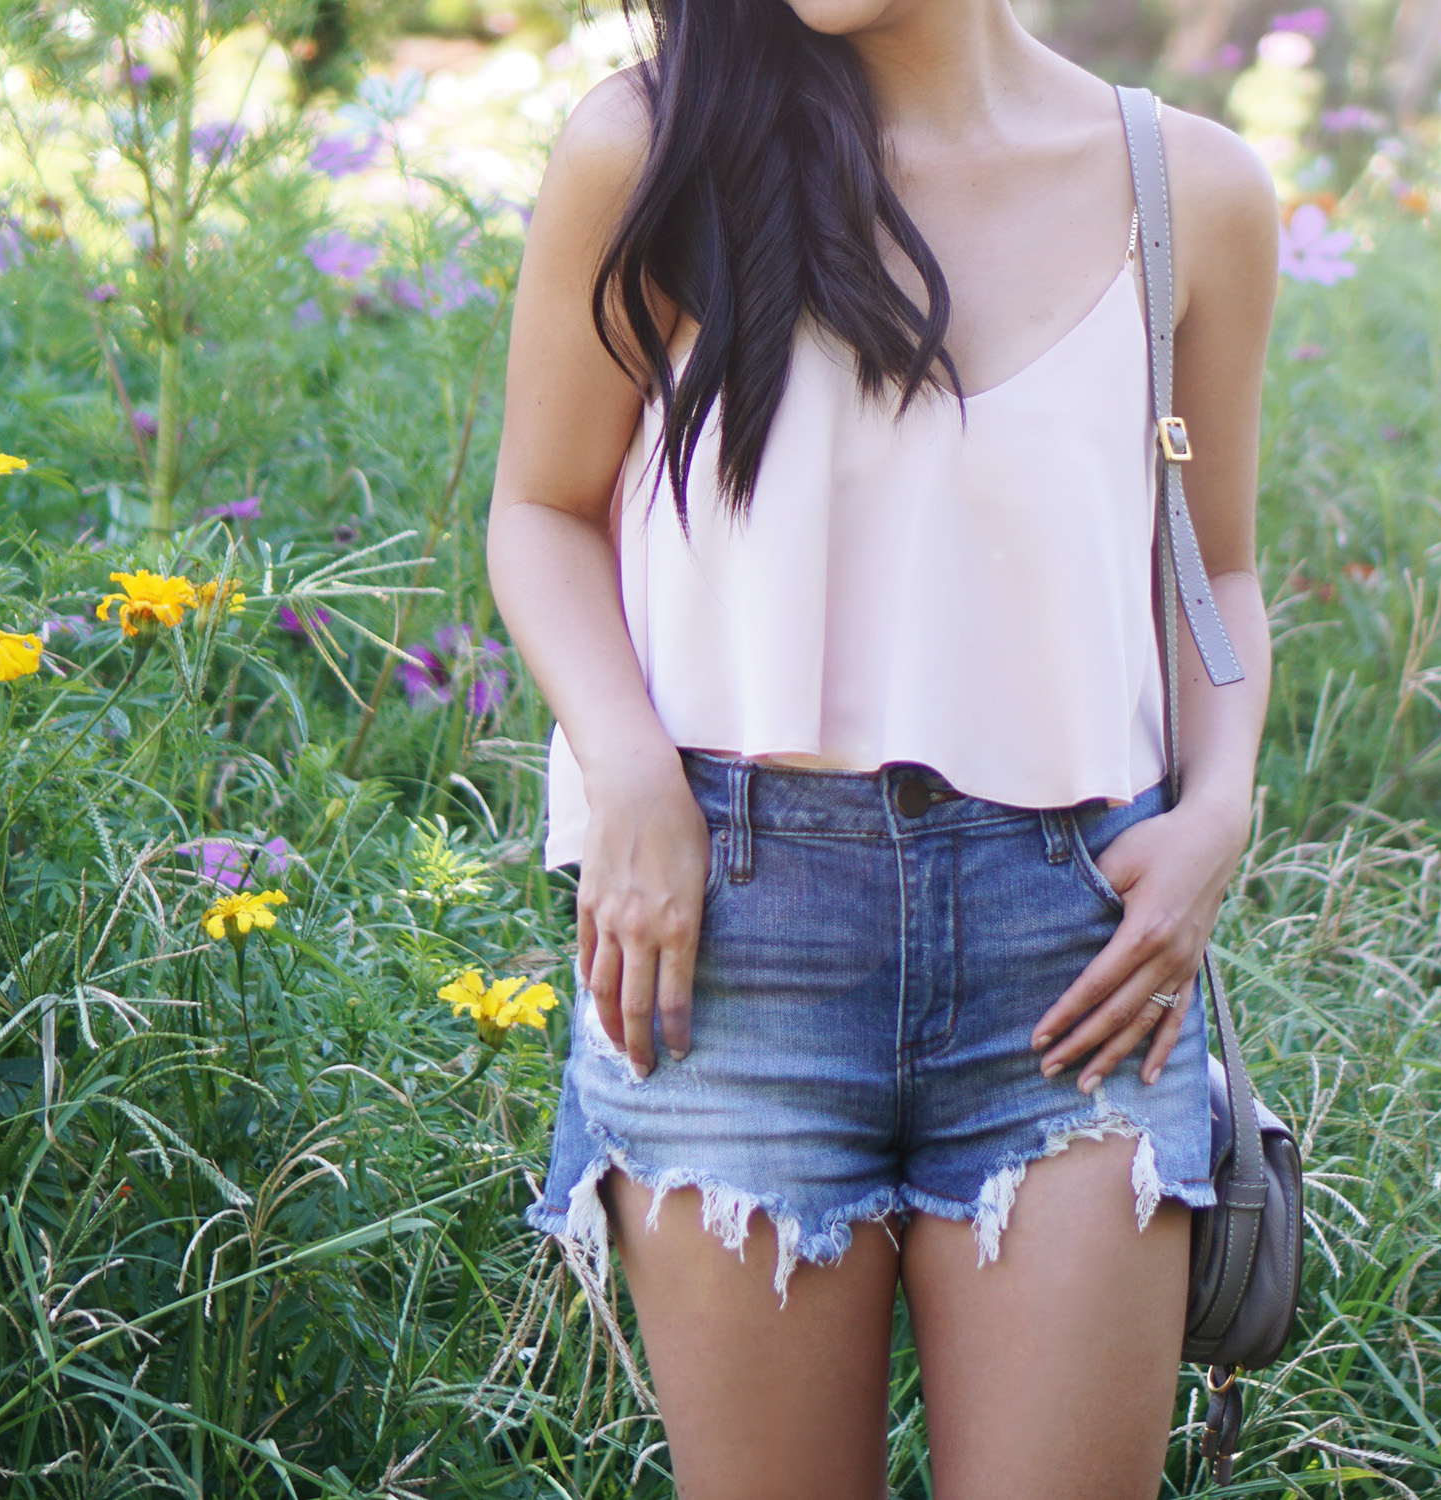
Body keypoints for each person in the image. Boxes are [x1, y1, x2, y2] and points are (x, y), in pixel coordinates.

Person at [487, 2, 1277, 1495]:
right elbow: (539, 507)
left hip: (1078, 950)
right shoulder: (655, 148)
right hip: (726, 940)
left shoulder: (1190, 190)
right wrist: (629, 773)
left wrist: (1218, 808)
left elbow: (1213, 566)